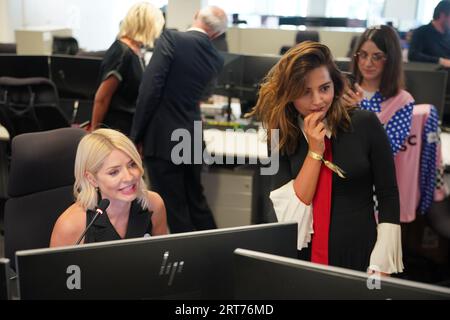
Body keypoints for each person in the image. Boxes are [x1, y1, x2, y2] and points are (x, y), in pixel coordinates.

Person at [249, 41, 404, 275]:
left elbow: (388, 194)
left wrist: (383, 260)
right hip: (303, 255)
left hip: (361, 252)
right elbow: (289, 213)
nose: (318, 100)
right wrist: (315, 150)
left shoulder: (365, 124)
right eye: (305, 92)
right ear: (289, 95)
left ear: (335, 84)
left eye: (324, 88)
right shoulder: (280, 137)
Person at [130, 6, 228, 233]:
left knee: (173, 208)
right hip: (191, 136)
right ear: (216, 34)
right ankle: (215, 253)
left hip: (163, 138)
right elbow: (201, 96)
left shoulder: (172, 38)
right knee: (197, 202)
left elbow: (149, 90)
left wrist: (136, 136)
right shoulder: (217, 58)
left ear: (195, 17)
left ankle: (191, 264)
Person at [50, 129, 167, 247]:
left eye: (132, 165)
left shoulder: (153, 204)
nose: (129, 177)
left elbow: (164, 257)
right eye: (114, 172)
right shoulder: (71, 225)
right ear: (92, 179)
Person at [90, 2, 165, 135]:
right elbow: (102, 97)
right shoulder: (122, 52)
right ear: (147, 26)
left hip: (127, 128)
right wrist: (95, 132)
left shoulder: (135, 51)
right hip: (115, 131)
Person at [345, 25, 415, 157]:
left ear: (391, 59)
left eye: (377, 57)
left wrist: (362, 107)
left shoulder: (403, 100)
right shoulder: (346, 90)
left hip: (376, 174)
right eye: (363, 55)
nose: (367, 63)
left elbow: (390, 147)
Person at [408, 0, 450, 67]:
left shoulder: (448, 34)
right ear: (442, 15)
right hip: (430, 73)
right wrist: (441, 61)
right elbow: (413, 55)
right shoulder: (421, 32)